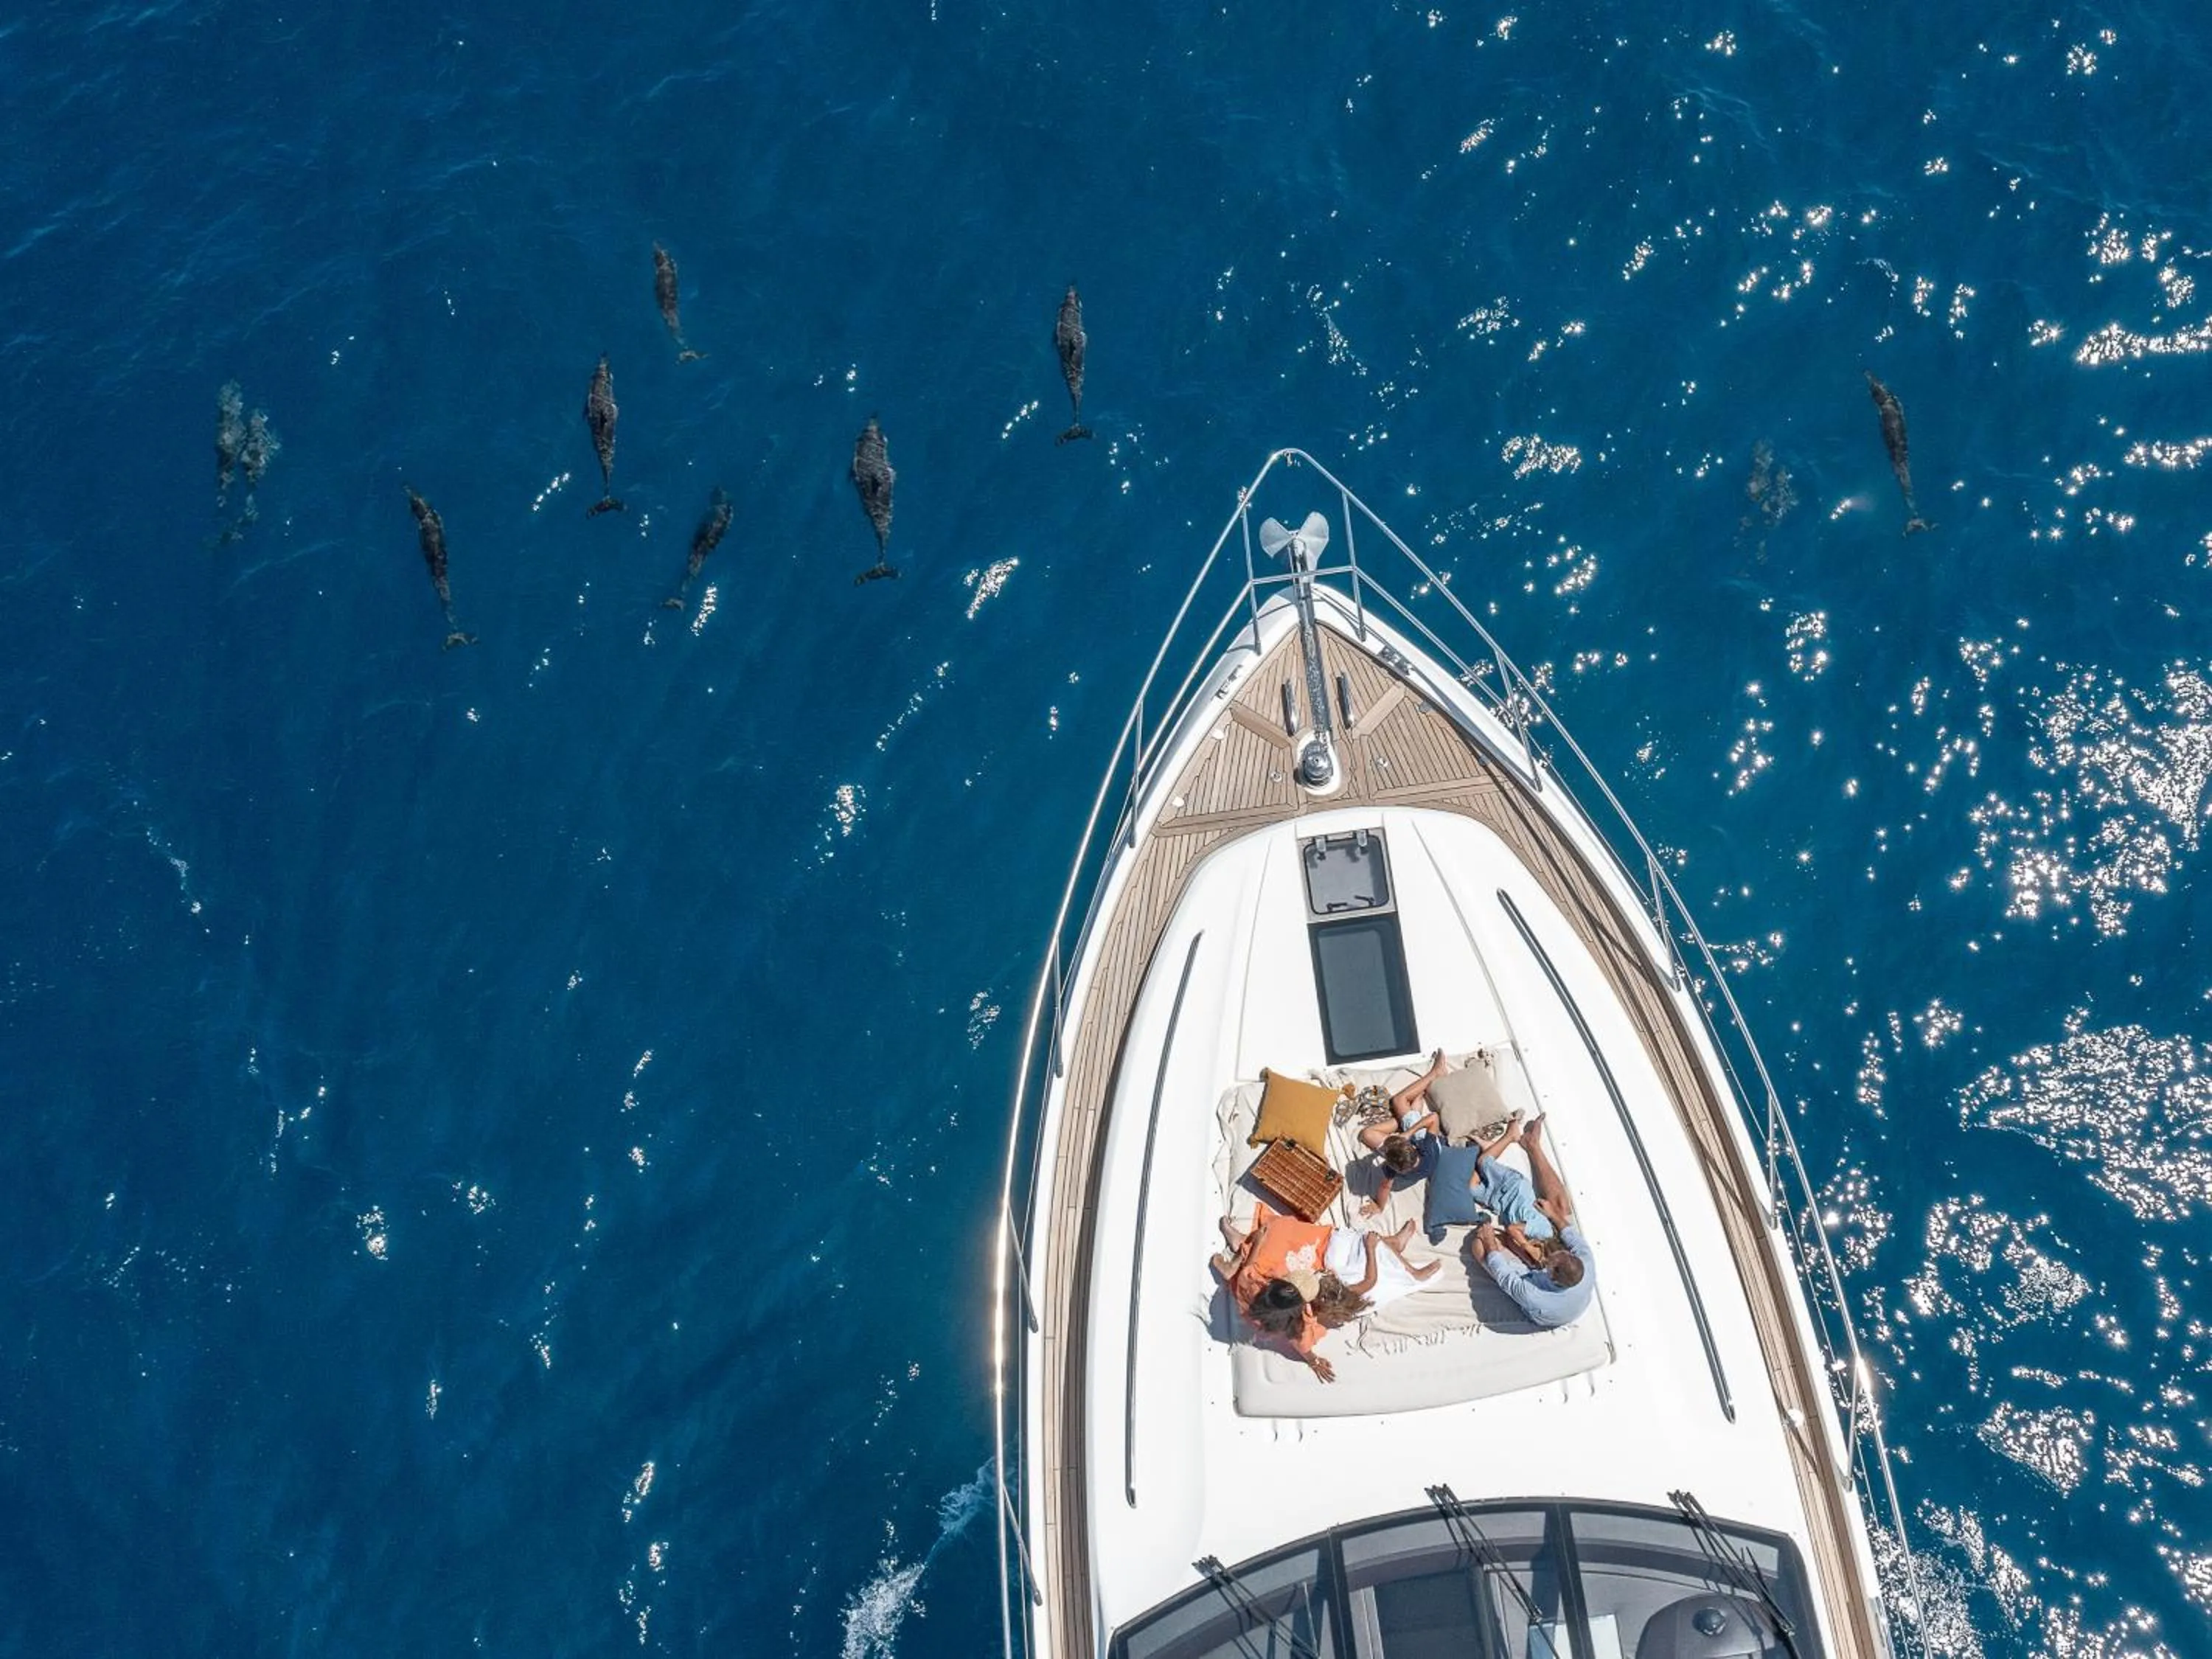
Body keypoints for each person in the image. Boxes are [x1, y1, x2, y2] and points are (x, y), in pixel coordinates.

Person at [1211, 1201, 1441, 1381]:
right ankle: (1238, 1250)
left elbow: (1250, 1269)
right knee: (1281, 1238)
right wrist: (1313, 1361)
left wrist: (1258, 1242)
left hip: (1248, 1293)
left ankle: (1238, 1249)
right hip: (1256, 1300)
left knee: (1276, 1234)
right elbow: (1302, 1346)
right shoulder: (1299, 1321)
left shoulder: (1252, 1283)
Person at [1472, 1116, 1594, 1329]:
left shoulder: (1532, 1294)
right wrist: (1552, 1215)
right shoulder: (1586, 1261)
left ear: (1552, 1275)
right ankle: (1532, 1145)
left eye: (1553, 1260)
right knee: (1560, 1209)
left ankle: (1520, 1256)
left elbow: (1503, 1275)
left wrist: (1491, 1241)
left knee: (1479, 1245)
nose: (1556, 1252)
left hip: (1541, 1308)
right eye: (1564, 1252)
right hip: (1559, 1285)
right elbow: (1567, 1232)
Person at [1355, 1048, 1447, 1218]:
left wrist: (1379, 1207)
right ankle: (1410, 1111)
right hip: (1421, 1140)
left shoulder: (1393, 1169)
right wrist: (1409, 1132)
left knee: (1369, 1132)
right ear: (1411, 1148)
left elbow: (1384, 1187)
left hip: (1411, 1142)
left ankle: (1436, 1073)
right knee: (1399, 1103)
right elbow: (1434, 1118)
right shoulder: (1426, 1148)